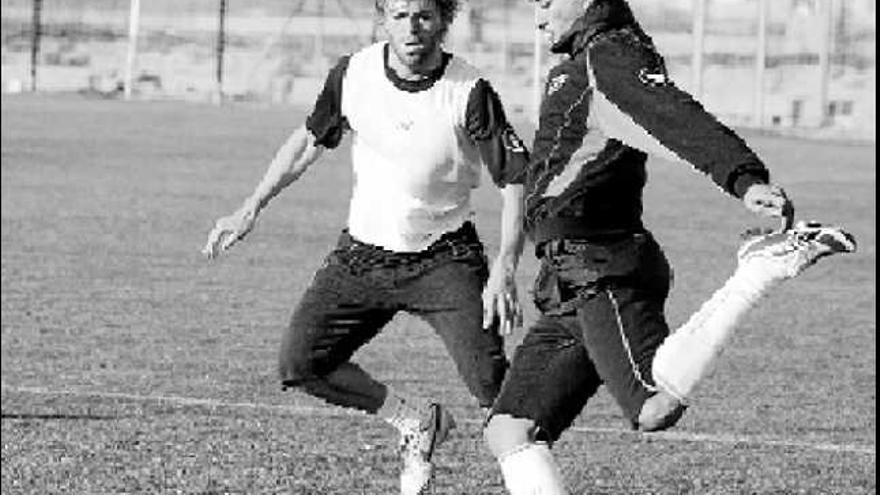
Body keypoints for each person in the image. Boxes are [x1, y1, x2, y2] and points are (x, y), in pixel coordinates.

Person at [481, 1, 856, 493]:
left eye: (548, 0)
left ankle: (759, 270)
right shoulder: (586, 59)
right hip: (566, 277)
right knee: (509, 428)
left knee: (653, 407)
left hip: (600, 264)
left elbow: (674, 118)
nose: (539, 15)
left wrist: (741, 177)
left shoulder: (609, 54)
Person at [201, 1, 529, 493]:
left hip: (445, 259)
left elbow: (516, 180)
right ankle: (417, 421)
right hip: (361, 257)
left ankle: (532, 483)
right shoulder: (353, 74)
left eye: (423, 14)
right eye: (399, 15)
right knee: (301, 364)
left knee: (491, 385)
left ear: (444, 20)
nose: (412, 27)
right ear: (383, 21)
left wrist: (504, 267)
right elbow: (308, 142)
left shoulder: (470, 90)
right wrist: (251, 206)